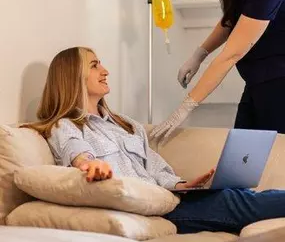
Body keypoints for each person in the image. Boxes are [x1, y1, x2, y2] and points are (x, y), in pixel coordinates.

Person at [26, 46, 285, 234]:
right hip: (154, 210)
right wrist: (88, 165)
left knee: (235, 193)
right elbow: (78, 153)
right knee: (234, 202)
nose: (105, 71)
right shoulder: (66, 125)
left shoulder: (127, 125)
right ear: (71, 76)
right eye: (94, 65)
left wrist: (184, 184)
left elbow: (157, 170)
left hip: (171, 199)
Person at [150, 0, 285, 143]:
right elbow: (231, 20)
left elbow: (230, 55)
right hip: (256, 81)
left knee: (271, 158)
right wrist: (200, 53)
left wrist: (185, 107)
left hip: (278, 82)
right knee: (241, 154)